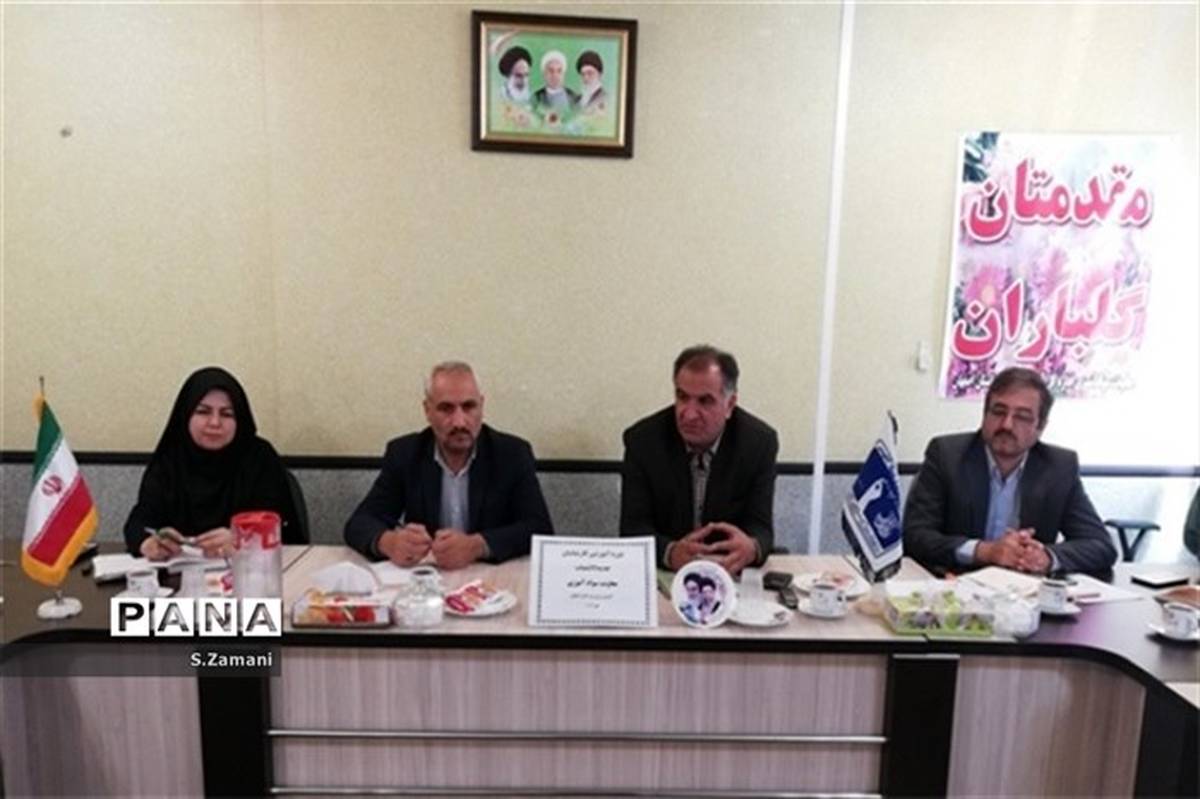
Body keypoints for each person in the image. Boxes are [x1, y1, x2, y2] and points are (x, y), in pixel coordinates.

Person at [903, 367, 1117, 575]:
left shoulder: (1059, 467)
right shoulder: (947, 455)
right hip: (956, 584)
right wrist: (984, 551)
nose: (1006, 425)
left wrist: (1046, 557)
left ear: (1040, 427)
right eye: (998, 412)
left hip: (1024, 590)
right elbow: (915, 535)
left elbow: (1100, 545)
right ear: (985, 415)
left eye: (1022, 417)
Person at [344, 361, 553, 569]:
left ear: (482, 406)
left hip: (490, 578)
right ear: (427, 411)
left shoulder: (511, 454)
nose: (459, 422)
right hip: (428, 579)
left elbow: (539, 528)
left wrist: (477, 546)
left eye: (469, 407)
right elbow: (359, 522)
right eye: (446, 409)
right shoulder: (405, 454)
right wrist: (388, 542)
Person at [620, 345, 778, 575]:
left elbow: (761, 528)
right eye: (682, 397)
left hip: (728, 573)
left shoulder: (758, 443)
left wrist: (751, 548)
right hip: (665, 572)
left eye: (705, 401)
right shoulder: (643, 441)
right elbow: (632, 529)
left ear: (730, 404)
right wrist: (670, 553)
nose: (689, 413)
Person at [123, 367, 300, 560]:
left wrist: (243, 540)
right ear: (186, 415)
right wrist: (149, 543)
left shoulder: (259, 458)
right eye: (203, 412)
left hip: (249, 572)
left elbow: (284, 529)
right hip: (179, 574)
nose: (215, 422)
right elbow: (140, 522)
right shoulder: (170, 461)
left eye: (226, 414)